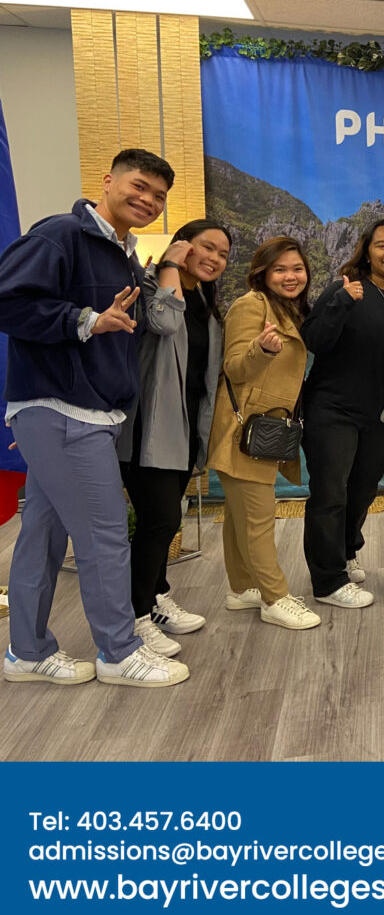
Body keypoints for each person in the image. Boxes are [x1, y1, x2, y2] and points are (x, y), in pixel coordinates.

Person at [0, 148, 189, 687]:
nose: (148, 200)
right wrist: (84, 318)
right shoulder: (60, 234)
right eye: (139, 186)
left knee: (41, 532)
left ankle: (27, 652)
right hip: (63, 409)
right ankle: (118, 651)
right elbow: (7, 302)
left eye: (158, 195)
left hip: (80, 414)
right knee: (105, 533)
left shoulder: (126, 255)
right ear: (107, 181)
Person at [302, 219, 384, 609]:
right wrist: (343, 302)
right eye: (381, 245)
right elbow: (315, 341)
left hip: (377, 411)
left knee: (363, 488)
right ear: (367, 250)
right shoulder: (346, 288)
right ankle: (327, 582)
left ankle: (344, 551)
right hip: (331, 407)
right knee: (330, 493)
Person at [117, 220, 230, 657]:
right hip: (149, 427)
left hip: (184, 429)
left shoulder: (203, 300)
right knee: (158, 521)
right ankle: (135, 616)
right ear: (182, 246)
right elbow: (162, 323)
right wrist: (167, 266)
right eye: (207, 248)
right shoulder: (148, 285)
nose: (215, 259)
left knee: (167, 519)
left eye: (223, 253)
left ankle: (157, 595)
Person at [207, 236, 318, 630]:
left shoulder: (285, 308)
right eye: (280, 269)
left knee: (240, 517)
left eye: (297, 268)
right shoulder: (250, 305)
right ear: (263, 273)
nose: (291, 276)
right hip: (243, 430)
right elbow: (235, 368)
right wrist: (262, 351)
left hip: (264, 429)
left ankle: (241, 588)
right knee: (259, 517)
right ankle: (275, 597)